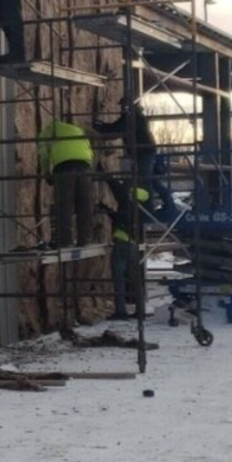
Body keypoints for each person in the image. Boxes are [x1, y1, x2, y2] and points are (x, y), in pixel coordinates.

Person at [95, 95, 171, 211]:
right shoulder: (134, 116)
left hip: (144, 152)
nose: (121, 109)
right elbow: (116, 128)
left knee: (144, 179)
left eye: (123, 106)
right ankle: (159, 202)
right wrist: (101, 126)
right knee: (147, 178)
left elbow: (115, 131)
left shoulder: (133, 118)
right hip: (145, 152)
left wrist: (98, 128)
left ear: (129, 106)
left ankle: (148, 206)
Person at [36, 119, 95, 248]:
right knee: (84, 205)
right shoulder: (77, 130)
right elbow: (90, 150)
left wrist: (47, 173)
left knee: (64, 205)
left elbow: (44, 155)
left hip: (64, 168)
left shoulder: (45, 134)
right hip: (84, 167)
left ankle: (65, 241)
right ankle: (85, 239)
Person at [103, 177, 151, 319]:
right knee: (135, 279)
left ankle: (121, 312)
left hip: (122, 242)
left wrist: (104, 173)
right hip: (133, 245)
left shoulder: (127, 201)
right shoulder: (143, 207)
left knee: (119, 279)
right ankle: (140, 311)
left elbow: (115, 187)